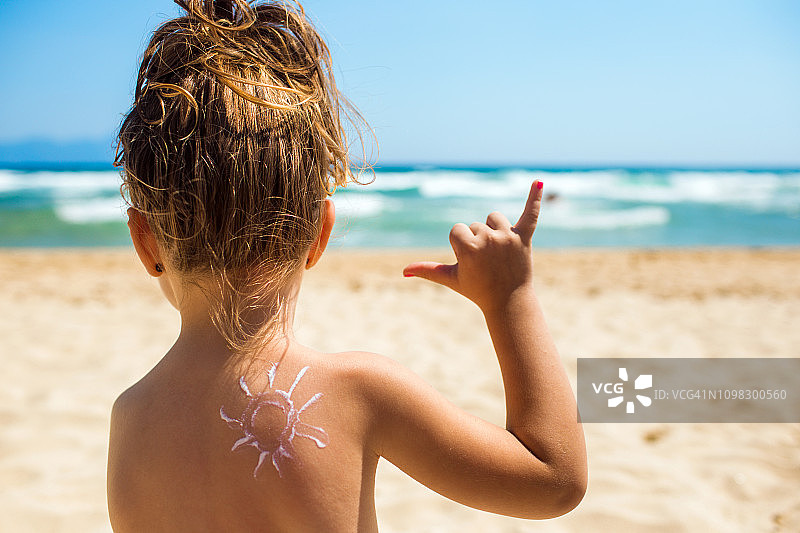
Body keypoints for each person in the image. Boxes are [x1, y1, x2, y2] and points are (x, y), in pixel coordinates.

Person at [107, 0, 587, 530]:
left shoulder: (130, 420)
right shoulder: (357, 392)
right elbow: (554, 479)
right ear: (319, 233)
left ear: (145, 241)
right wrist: (510, 299)